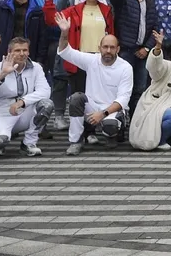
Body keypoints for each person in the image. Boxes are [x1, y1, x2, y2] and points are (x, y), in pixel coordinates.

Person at [53, 13, 131, 155]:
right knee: (76, 98)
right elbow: (65, 52)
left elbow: (123, 99)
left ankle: (112, 135)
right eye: (105, 47)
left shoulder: (126, 67)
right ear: (99, 47)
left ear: (118, 49)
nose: (108, 51)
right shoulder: (91, 60)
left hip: (112, 110)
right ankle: (76, 141)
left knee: (110, 126)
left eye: (112, 47)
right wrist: (65, 32)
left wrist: (103, 113)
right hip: (92, 107)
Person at [0, 37, 54, 156]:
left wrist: (23, 101)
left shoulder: (36, 67)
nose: (22, 54)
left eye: (25, 50)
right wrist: (2, 74)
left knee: (47, 104)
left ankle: (29, 143)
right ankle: (4, 135)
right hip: (4, 111)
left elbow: (45, 90)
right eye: (17, 50)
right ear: (9, 52)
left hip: (26, 109)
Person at [42, 0, 114, 110]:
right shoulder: (74, 10)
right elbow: (52, 20)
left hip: (101, 60)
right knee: (79, 95)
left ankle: (96, 123)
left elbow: (112, 35)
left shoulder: (107, 10)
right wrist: (49, 3)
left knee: (99, 96)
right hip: (80, 59)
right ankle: (80, 126)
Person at [110, 0, 160, 116]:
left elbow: (156, 27)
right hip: (125, 50)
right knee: (122, 89)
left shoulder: (149, 2)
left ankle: (136, 123)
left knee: (140, 88)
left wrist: (147, 48)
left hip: (143, 52)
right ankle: (119, 124)